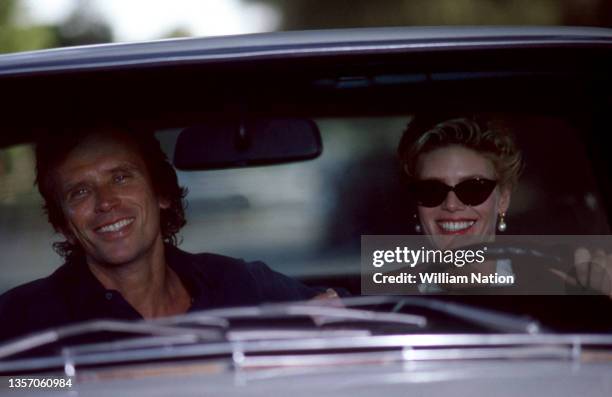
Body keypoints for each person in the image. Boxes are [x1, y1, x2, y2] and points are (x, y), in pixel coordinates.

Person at [0, 126, 333, 342]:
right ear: (64, 226)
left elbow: (352, 307)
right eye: (80, 192)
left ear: (162, 193)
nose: (105, 202)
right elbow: (15, 385)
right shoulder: (22, 318)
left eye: (120, 178)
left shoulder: (237, 282)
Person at [397, 115, 612, 296]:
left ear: (503, 200)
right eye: (431, 190)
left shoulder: (556, 286)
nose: (452, 204)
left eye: (474, 188)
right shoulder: (388, 296)